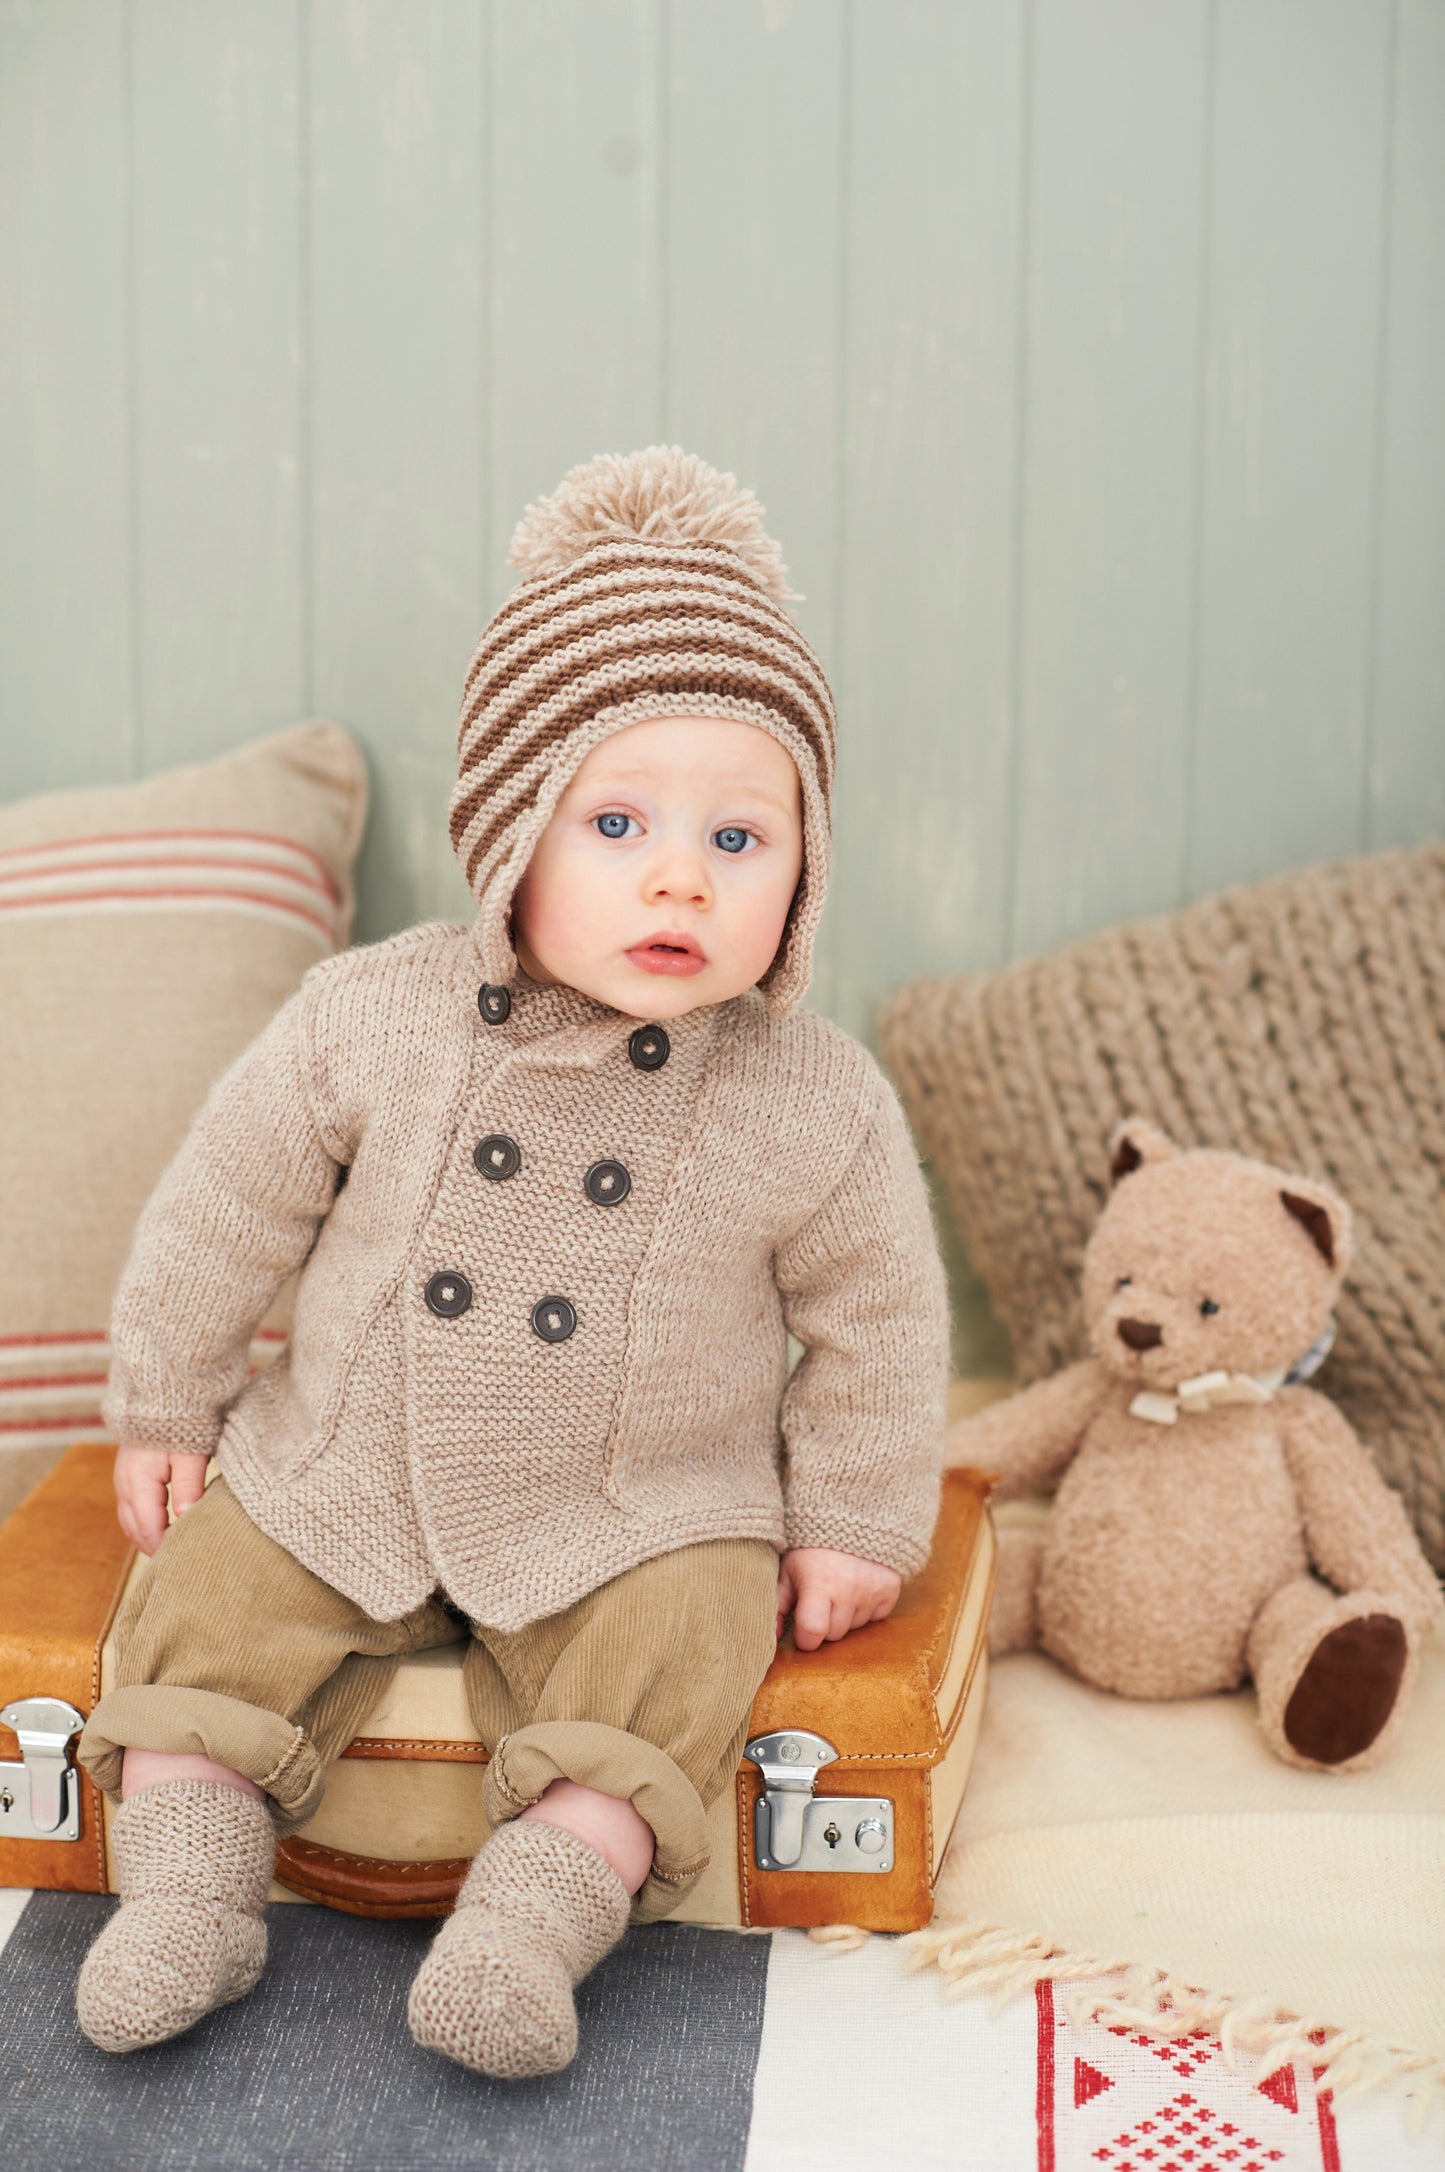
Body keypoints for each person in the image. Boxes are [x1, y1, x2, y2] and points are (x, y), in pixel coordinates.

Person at [74, 446, 949, 2079]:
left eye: (740, 839)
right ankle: (188, 1892)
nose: (680, 874)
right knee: (201, 1616)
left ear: (802, 874)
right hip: (349, 1460)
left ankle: (528, 1924)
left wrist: (851, 1518)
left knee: (688, 1650)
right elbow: (227, 1208)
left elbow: (883, 1328)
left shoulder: (809, 1095)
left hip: (641, 1495)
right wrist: (169, 1402)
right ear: (508, 835)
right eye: (615, 821)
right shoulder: (376, 1013)